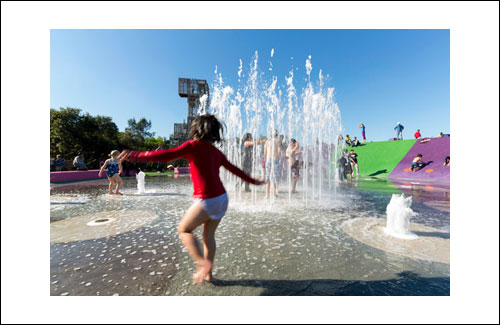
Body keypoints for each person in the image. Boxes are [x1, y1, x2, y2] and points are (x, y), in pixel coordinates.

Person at [120, 114, 263, 285]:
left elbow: (165, 155)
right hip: (222, 199)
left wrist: (135, 155)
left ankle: (202, 263)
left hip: (208, 199)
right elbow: (234, 170)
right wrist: (253, 181)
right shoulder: (216, 152)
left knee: (184, 230)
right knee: (208, 236)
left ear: (196, 129)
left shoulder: (193, 146)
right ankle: (209, 274)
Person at [264, 130, 282, 199]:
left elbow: (265, 152)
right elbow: (279, 151)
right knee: (275, 176)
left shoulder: (267, 141)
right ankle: (274, 193)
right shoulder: (277, 141)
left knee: (268, 176)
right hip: (275, 159)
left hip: (268, 159)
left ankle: (267, 194)